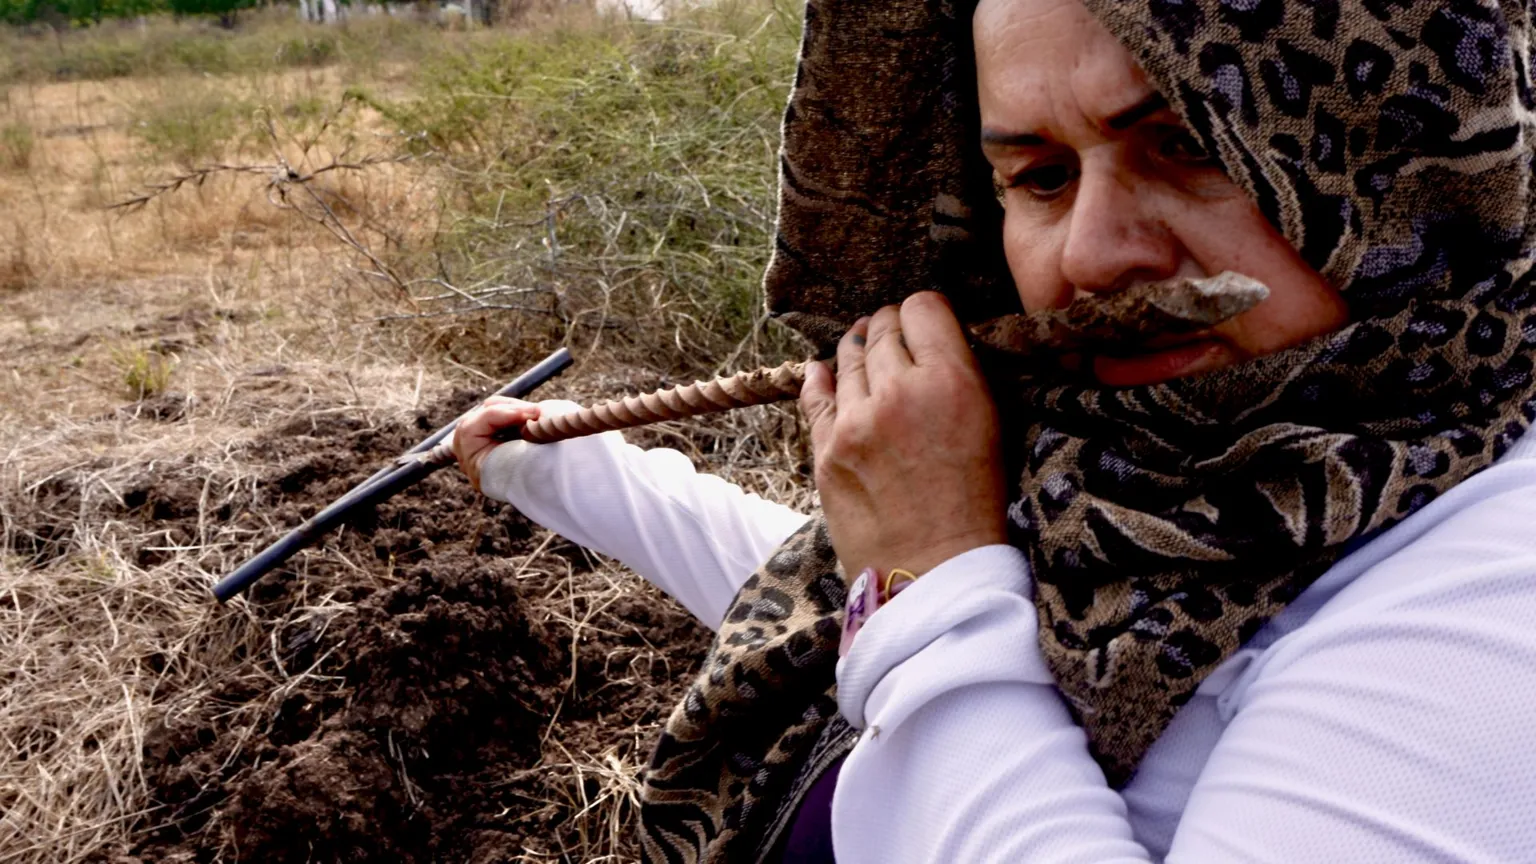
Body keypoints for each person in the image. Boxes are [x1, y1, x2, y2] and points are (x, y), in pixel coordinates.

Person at [453, 0, 1536, 860]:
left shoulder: (1495, 584)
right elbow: (846, 603)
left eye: (1187, 144)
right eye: (1041, 177)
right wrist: (561, 472)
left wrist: (932, 571)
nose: (1091, 257)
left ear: (1401, 149)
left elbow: (943, 618)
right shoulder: (1138, 466)